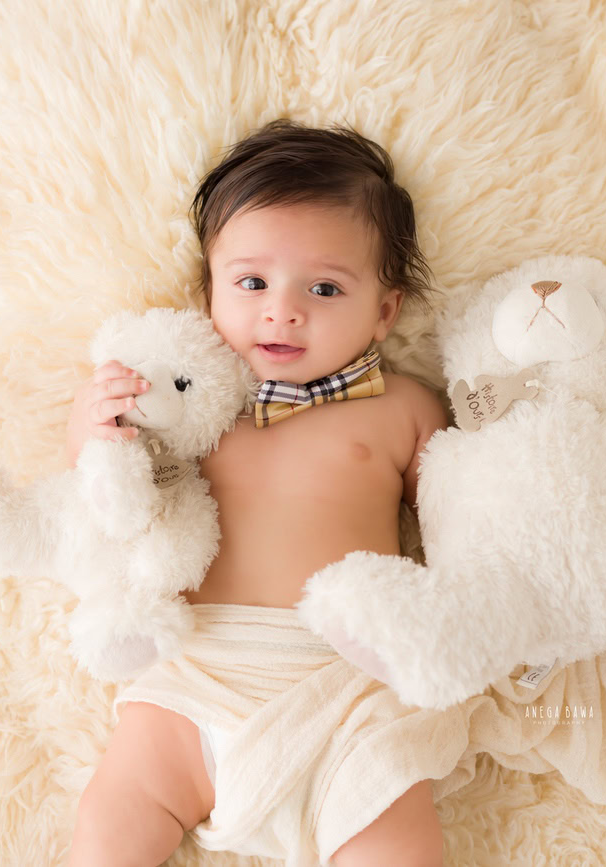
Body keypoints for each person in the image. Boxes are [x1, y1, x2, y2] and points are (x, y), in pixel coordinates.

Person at [63, 119, 454, 867]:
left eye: (325, 286)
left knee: (398, 844)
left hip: (347, 689)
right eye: (251, 282)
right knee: (113, 814)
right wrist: (94, 423)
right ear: (207, 289)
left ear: (385, 310)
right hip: (197, 670)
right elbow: (110, 484)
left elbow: (460, 519)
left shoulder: (403, 406)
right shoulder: (189, 401)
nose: (282, 309)